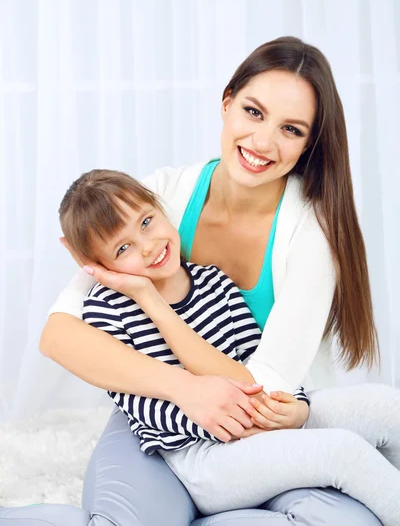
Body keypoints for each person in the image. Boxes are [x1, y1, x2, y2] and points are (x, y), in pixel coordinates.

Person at [40, 36, 390, 525]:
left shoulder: (312, 234)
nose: (263, 142)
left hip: (268, 422)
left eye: (290, 129)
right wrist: (184, 390)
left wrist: (294, 412)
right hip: (169, 422)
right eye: (253, 112)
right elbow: (60, 334)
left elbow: (264, 391)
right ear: (227, 103)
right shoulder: (159, 199)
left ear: (309, 144)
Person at [58, 167, 400, 525]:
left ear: (160, 209)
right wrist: (234, 420)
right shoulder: (106, 309)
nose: (148, 247)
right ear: (100, 265)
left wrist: (296, 407)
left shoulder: (213, 281)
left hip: (258, 420)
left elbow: (261, 366)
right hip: (200, 458)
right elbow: (142, 409)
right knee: (342, 453)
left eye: (146, 222)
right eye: (123, 248)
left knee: (388, 408)